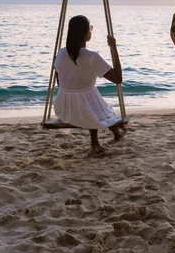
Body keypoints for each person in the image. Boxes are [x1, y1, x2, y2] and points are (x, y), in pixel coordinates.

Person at [53, 15, 126, 156]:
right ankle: (99, 141)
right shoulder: (92, 57)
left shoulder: (61, 52)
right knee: (92, 99)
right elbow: (118, 79)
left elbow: (59, 82)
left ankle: (103, 139)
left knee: (88, 96)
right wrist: (114, 48)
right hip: (85, 109)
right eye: (90, 29)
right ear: (87, 34)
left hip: (63, 109)